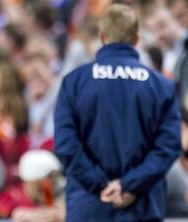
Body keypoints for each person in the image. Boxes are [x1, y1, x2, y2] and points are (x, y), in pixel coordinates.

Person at [54, 4, 181, 222]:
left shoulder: (74, 83)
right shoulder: (160, 85)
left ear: (103, 37)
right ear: (136, 39)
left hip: (89, 207)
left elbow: (67, 145)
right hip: (142, 207)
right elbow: (168, 146)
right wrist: (128, 185)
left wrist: (101, 186)